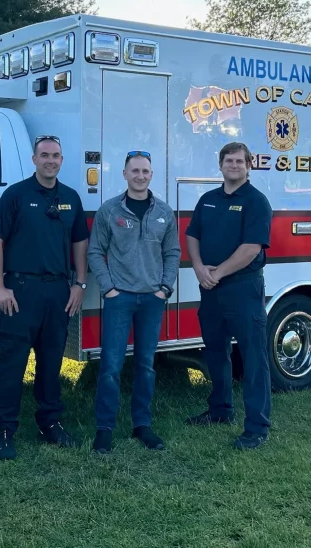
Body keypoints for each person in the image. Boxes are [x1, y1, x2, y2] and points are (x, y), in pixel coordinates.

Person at [0, 134, 89, 460]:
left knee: (51, 363)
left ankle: (51, 424)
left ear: (62, 160)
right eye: (44, 155)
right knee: (11, 365)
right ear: (34, 160)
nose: (50, 160)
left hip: (59, 291)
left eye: (56, 155)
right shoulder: (15, 195)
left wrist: (80, 284)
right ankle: (4, 431)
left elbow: (80, 245)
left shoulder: (71, 198)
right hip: (21, 291)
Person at [87, 151, 181, 454]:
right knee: (111, 366)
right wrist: (109, 289)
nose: (140, 176)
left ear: (151, 175)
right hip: (120, 299)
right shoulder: (110, 210)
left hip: (152, 300)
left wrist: (164, 288)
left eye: (145, 171)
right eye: (135, 171)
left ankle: (142, 425)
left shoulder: (164, 212)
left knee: (145, 365)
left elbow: (173, 253)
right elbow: (94, 251)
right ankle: (105, 429)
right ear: (125, 174)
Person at [184, 141, 273, 450]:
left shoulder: (256, 202)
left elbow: (251, 249)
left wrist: (216, 273)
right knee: (215, 352)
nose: (234, 166)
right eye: (229, 161)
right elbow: (192, 235)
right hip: (210, 290)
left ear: (249, 166)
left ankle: (257, 426)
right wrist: (198, 267)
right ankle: (220, 410)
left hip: (242, 289)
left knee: (252, 356)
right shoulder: (208, 200)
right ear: (220, 165)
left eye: (239, 161)